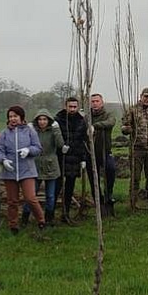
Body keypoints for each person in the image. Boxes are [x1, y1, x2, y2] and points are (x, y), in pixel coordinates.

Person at [0, 105, 45, 233]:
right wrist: (3, 160)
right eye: (10, 116)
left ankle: (41, 220)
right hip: (10, 171)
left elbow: (38, 148)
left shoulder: (30, 131)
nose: (13, 119)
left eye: (15, 116)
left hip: (27, 171)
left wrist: (28, 150)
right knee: (12, 201)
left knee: (30, 198)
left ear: (21, 117)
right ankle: (13, 225)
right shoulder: (4, 133)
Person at [120, 87, 148, 210]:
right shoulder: (132, 110)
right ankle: (133, 202)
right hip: (137, 149)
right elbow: (124, 126)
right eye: (146, 96)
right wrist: (126, 129)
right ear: (141, 96)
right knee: (135, 177)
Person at [55, 96, 90, 224]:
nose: (72, 109)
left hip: (74, 159)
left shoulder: (82, 121)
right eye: (70, 106)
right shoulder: (58, 120)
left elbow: (82, 142)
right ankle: (50, 215)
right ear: (65, 106)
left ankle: (66, 214)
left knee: (69, 188)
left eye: (75, 107)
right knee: (56, 187)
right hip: (60, 159)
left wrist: (83, 159)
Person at [89, 93, 118, 216]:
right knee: (92, 179)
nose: (95, 103)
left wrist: (95, 126)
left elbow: (110, 123)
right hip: (90, 153)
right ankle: (98, 200)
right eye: (93, 101)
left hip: (105, 151)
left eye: (97, 101)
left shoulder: (108, 114)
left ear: (102, 102)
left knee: (111, 170)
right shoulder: (87, 116)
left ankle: (108, 194)